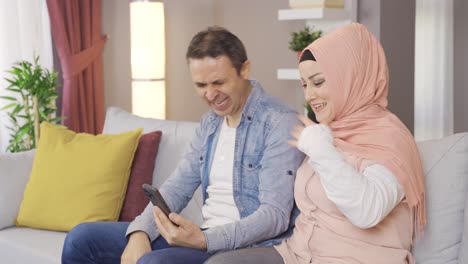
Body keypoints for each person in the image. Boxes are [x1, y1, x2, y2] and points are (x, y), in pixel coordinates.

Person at [61, 26, 304, 264]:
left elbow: (275, 216)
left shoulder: (279, 122)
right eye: (201, 85)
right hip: (201, 237)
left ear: (245, 70)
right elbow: (177, 187)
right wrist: (140, 233)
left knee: (153, 262)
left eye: (218, 82)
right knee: (82, 238)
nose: (210, 95)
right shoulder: (210, 123)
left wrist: (205, 239)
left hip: (245, 247)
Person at [204, 22, 426, 264]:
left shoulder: (389, 140)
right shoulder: (328, 131)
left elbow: (366, 211)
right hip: (297, 255)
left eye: (318, 82)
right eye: (305, 84)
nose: (309, 96)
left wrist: (321, 150)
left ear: (350, 78)